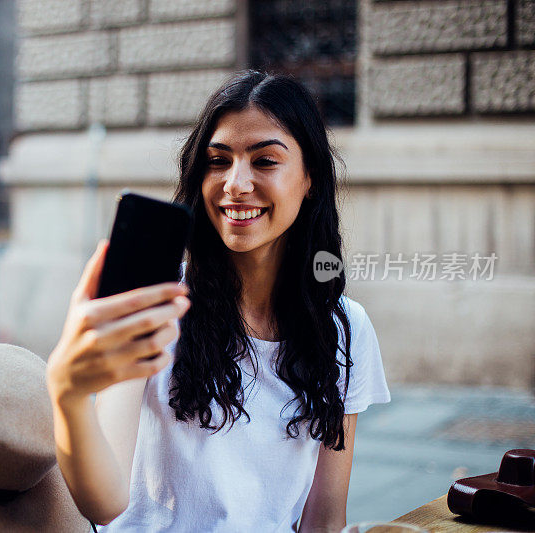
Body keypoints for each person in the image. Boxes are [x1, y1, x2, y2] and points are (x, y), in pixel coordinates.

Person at [45, 70, 391, 532]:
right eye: (217, 160)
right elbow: (104, 502)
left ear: (310, 178)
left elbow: (324, 517)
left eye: (265, 161)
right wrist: (66, 393)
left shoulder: (347, 328)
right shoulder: (156, 307)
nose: (235, 183)